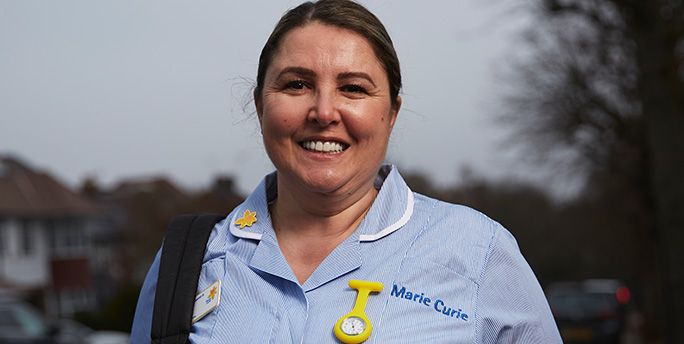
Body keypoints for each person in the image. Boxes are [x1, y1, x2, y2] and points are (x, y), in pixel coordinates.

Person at [131, 0, 562, 343]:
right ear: (261, 104)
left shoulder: (479, 254)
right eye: (296, 84)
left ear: (391, 112)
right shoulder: (188, 261)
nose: (323, 112)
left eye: (353, 88)